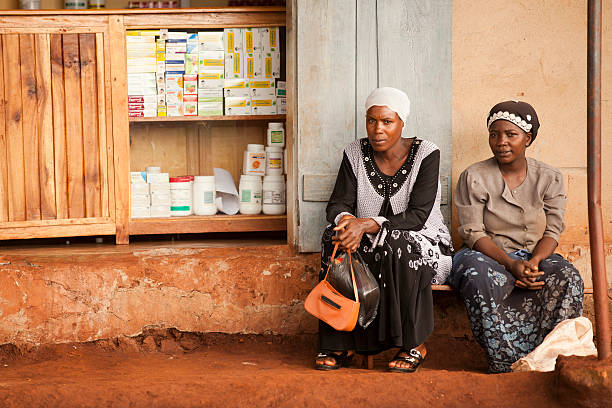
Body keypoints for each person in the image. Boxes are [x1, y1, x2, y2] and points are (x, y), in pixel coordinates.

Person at [315, 87, 453, 372]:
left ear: (402, 122)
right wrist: (347, 223)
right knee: (333, 237)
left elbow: (417, 216)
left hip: (423, 242)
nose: (377, 129)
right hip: (368, 243)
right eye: (371, 121)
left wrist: (367, 224)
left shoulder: (427, 153)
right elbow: (337, 203)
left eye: (387, 122)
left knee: (398, 243)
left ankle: (414, 344)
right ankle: (340, 344)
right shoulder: (354, 152)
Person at [450, 101, 584, 373]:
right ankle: (504, 365)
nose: (501, 142)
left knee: (567, 276)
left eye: (511, 135)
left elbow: (553, 230)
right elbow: (472, 232)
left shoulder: (549, 177)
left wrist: (534, 262)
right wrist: (511, 265)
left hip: (535, 256)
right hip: (485, 255)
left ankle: (549, 360)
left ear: (528, 139)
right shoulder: (474, 176)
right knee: (479, 276)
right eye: (494, 134)